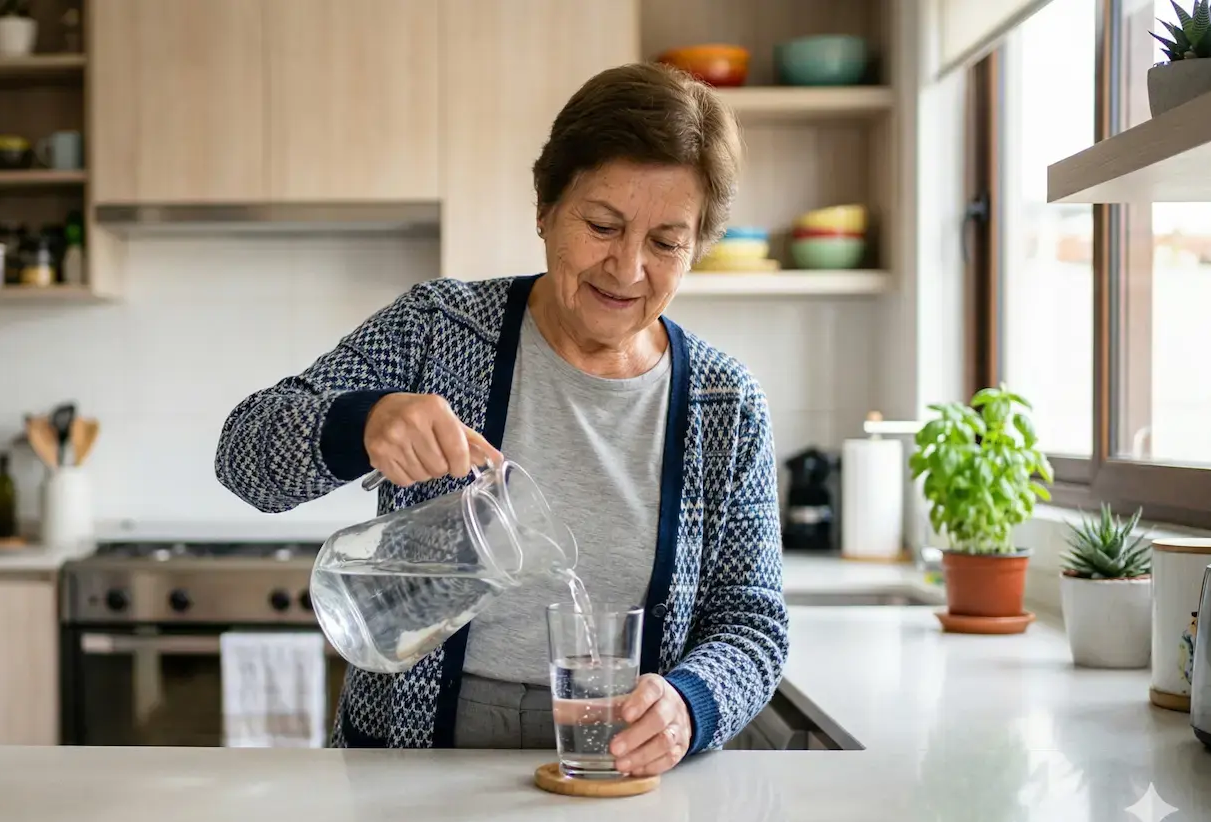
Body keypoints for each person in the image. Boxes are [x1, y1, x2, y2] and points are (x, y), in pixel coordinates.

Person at [215, 61, 788, 777]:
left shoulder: (724, 403)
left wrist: (689, 704)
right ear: (545, 207)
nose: (628, 266)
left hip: (617, 770)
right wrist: (361, 422)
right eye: (603, 224)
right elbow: (243, 454)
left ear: (696, 248)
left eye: (667, 242)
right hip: (415, 766)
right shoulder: (438, 327)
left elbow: (753, 622)